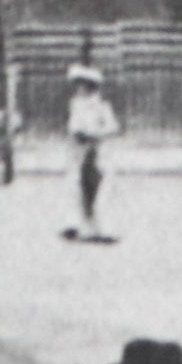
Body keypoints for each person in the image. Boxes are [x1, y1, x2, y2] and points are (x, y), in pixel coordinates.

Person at [60, 60, 120, 245]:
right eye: (77, 85)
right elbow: (73, 127)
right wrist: (80, 135)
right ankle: (75, 224)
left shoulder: (102, 106)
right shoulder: (75, 105)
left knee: (101, 189)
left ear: (90, 87)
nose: (79, 89)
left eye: (82, 85)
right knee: (75, 186)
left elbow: (113, 127)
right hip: (78, 151)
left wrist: (97, 135)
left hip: (99, 151)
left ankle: (104, 228)